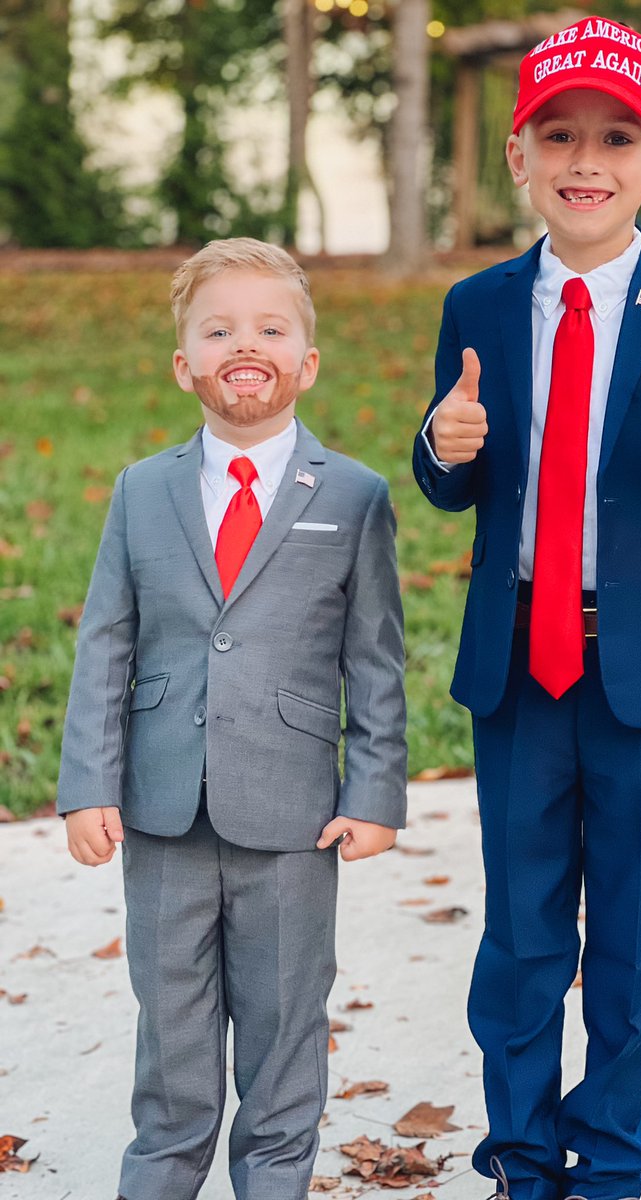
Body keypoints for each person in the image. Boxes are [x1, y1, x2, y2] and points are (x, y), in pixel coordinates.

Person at [413, 16, 641, 1200]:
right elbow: (448, 467)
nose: (587, 159)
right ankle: (523, 1159)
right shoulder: (476, 305)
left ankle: (610, 1155)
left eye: (616, 136)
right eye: (558, 134)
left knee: (634, 939)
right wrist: (443, 443)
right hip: (520, 660)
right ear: (517, 159)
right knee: (522, 934)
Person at [57, 237, 407, 1200]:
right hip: (162, 813)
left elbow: (373, 659)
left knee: (285, 1031)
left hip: (294, 820)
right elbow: (106, 644)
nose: (242, 345)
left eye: (269, 328)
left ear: (305, 361)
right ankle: (160, 1179)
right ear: (185, 364)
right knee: (170, 1043)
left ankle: (274, 1183)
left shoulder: (352, 494)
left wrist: (374, 793)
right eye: (217, 330)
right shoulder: (142, 491)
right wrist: (89, 783)